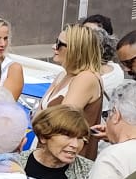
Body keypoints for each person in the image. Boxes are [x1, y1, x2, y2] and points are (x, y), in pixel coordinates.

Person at [41, 24, 106, 160]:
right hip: (49, 154)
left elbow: (61, 121)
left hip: (67, 159)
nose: (54, 47)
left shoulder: (86, 78)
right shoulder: (63, 75)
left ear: (76, 49)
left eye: (59, 44)